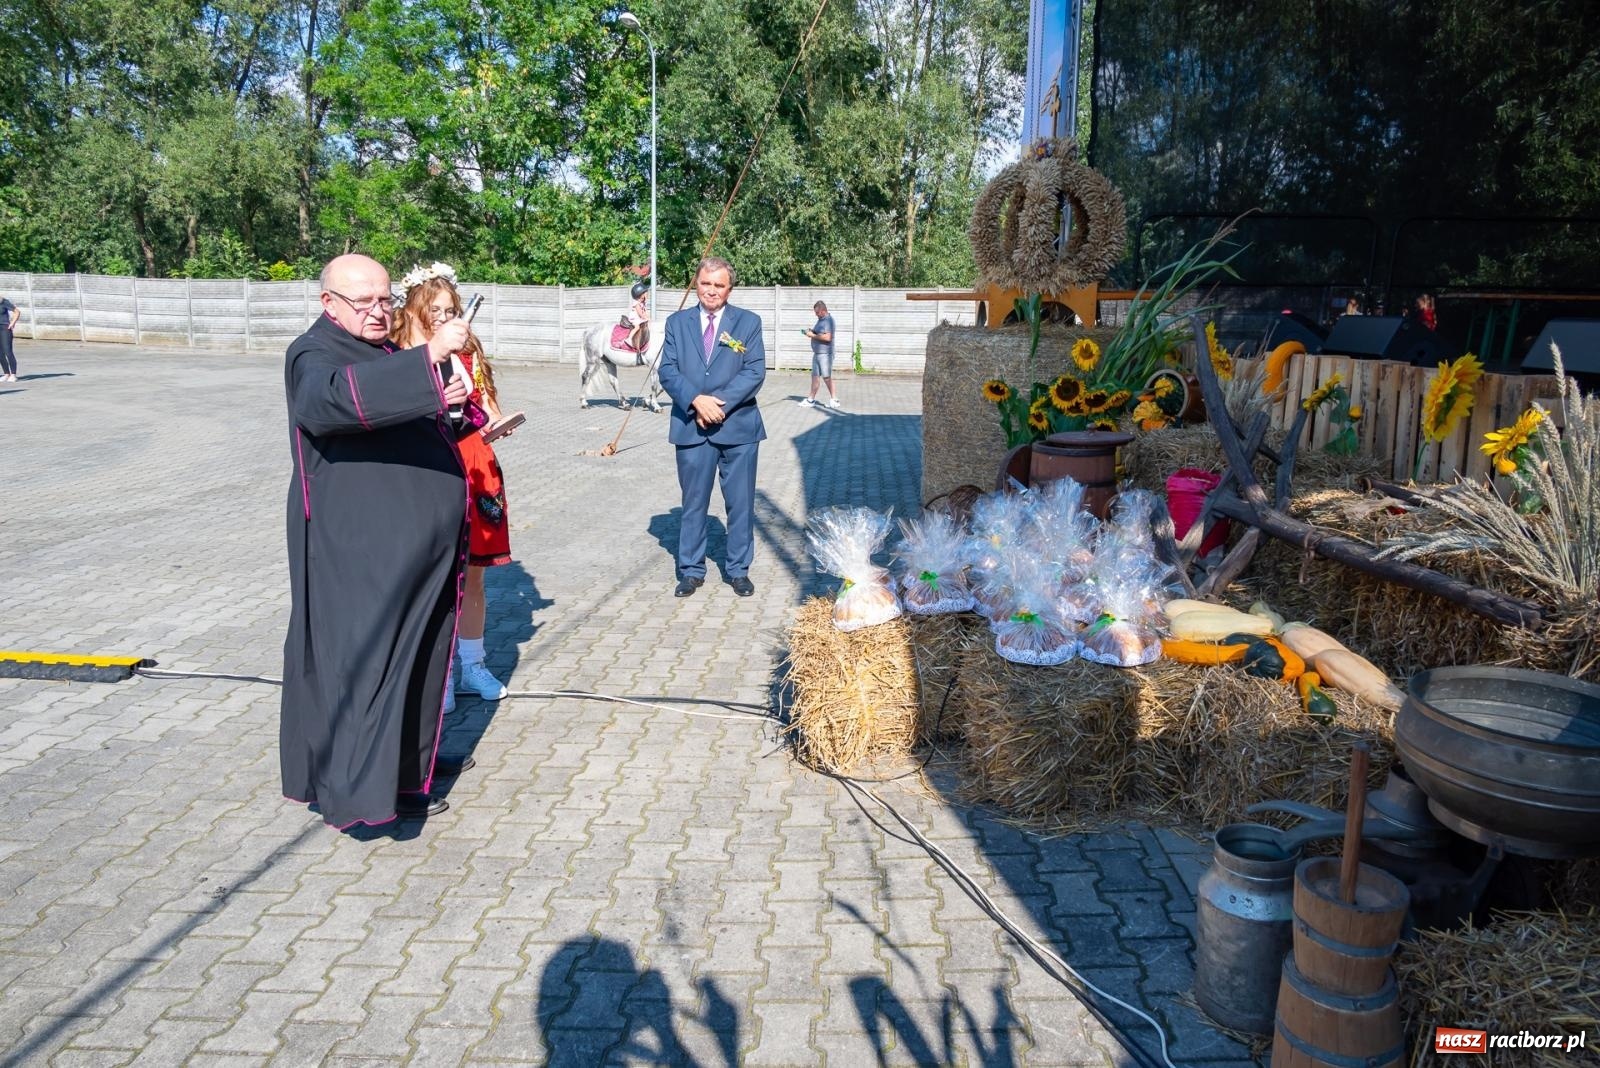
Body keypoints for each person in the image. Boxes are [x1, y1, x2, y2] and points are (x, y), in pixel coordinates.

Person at [280, 253, 475, 828]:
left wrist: (452, 407)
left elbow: (405, 413)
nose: (376, 311)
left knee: (415, 663)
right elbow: (332, 402)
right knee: (364, 669)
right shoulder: (311, 353)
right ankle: (358, 795)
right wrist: (429, 357)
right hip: (359, 549)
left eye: (383, 299)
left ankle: (405, 775)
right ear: (329, 304)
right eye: (361, 302)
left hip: (411, 549)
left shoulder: (385, 351)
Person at [392, 264, 513, 710]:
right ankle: (437, 676)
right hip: (430, 465)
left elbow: (487, 405)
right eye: (435, 310)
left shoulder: (468, 350)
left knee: (474, 575)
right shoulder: (397, 353)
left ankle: (473, 664)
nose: (445, 318)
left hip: (475, 461)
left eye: (451, 309)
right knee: (436, 578)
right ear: (415, 310)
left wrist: (500, 422)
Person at [657, 257, 766, 598]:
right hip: (692, 426)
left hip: (738, 427)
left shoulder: (748, 323)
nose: (712, 291)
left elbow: (754, 371)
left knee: (741, 503)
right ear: (697, 283)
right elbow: (668, 371)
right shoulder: (677, 323)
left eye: (719, 285)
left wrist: (716, 404)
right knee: (693, 503)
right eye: (706, 283)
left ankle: (738, 570)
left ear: (729, 289)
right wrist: (696, 401)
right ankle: (691, 570)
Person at [800, 300, 839, 408]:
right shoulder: (820, 320)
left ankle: (834, 399)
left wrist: (812, 335)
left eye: (817, 313)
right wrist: (812, 331)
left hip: (825, 354)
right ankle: (811, 400)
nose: (816, 315)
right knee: (815, 377)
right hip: (817, 353)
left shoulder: (829, 321)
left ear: (823, 310)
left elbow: (828, 337)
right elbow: (820, 333)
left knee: (826, 377)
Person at [0, 293, 18, 382]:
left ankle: (13, 374)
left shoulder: (4, 302)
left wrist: (12, 323)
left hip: (4, 329)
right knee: (0, 353)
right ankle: (6, 374)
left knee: (8, 351)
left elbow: (17, 311)